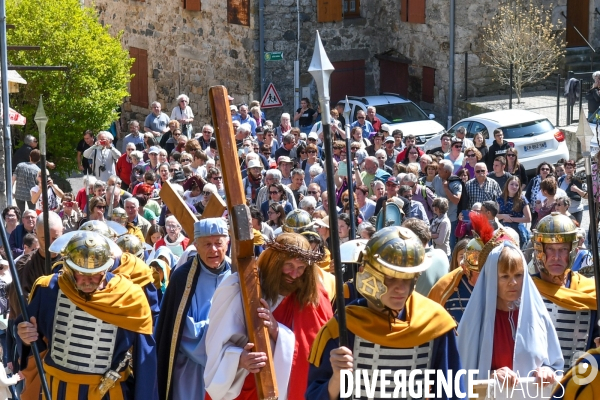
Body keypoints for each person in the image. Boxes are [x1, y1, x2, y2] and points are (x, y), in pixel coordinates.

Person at [306, 227, 465, 400]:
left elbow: (451, 392)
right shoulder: (341, 328)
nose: (401, 288)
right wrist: (336, 379)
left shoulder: (435, 323)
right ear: (369, 274)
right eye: (390, 277)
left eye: (408, 278)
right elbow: (314, 394)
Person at [16, 231, 157, 400]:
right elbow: (34, 341)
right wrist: (25, 337)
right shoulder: (47, 289)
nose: (87, 280)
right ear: (68, 267)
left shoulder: (129, 297)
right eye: (80, 273)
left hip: (109, 393)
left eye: (95, 274)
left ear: (106, 268)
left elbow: (145, 361)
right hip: (57, 391)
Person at [204, 233, 332, 400]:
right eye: (289, 265)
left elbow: (317, 352)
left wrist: (277, 331)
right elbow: (216, 343)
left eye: (301, 268)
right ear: (274, 262)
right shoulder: (238, 288)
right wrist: (237, 359)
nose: (294, 274)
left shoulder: (312, 297)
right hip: (243, 388)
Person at [457, 240, 563, 391]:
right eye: (505, 276)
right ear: (492, 278)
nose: (513, 282)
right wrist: (491, 376)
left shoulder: (537, 316)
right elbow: (461, 374)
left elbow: (555, 365)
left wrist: (548, 370)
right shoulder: (474, 322)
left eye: (518, 275)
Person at [155, 219, 231, 400]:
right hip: (192, 370)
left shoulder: (236, 275)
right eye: (207, 244)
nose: (213, 249)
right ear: (195, 245)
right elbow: (184, 332)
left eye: (218, 243)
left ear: (227, 244)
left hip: (231, 371)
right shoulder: (182, 278)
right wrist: (227, 342)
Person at [531, 213, 598, 371]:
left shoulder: (590, 291)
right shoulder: (525, 289)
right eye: (550, 249)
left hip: (578, 381)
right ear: (540, 251)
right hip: (534, 384)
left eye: (562, 249)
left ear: (572, 251)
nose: (556, 257)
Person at [497, 176, 531, 248]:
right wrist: (504, 216)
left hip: (518, 229)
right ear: (507, 185)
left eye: (516, 185)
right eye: (512, 184)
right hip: (503, 229)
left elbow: (528, 218)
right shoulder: (500, 198)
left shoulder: (522, 199)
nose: (514, 187)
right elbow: (495, 215)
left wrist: (512, 219)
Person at [557, 159, 587, 225]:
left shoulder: (579, 179)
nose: (569, 170)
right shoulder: (560, 180)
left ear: (574, 168)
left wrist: (576, 189)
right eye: (567, 168)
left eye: (570, 167)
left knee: (576, 231)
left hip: (576, 210)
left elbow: (586, 196)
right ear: (564, 168)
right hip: (564, 211)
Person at [12, 149, 41, 214]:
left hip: (19, 194)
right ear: (39, 159)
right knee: (32, 213)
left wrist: (11, 191)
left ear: (29, 156)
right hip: (31, 195)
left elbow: (13, 179)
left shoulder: (20, 165)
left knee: (20, 214)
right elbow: (39, 184)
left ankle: (21, 224)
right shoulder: (38, 170)